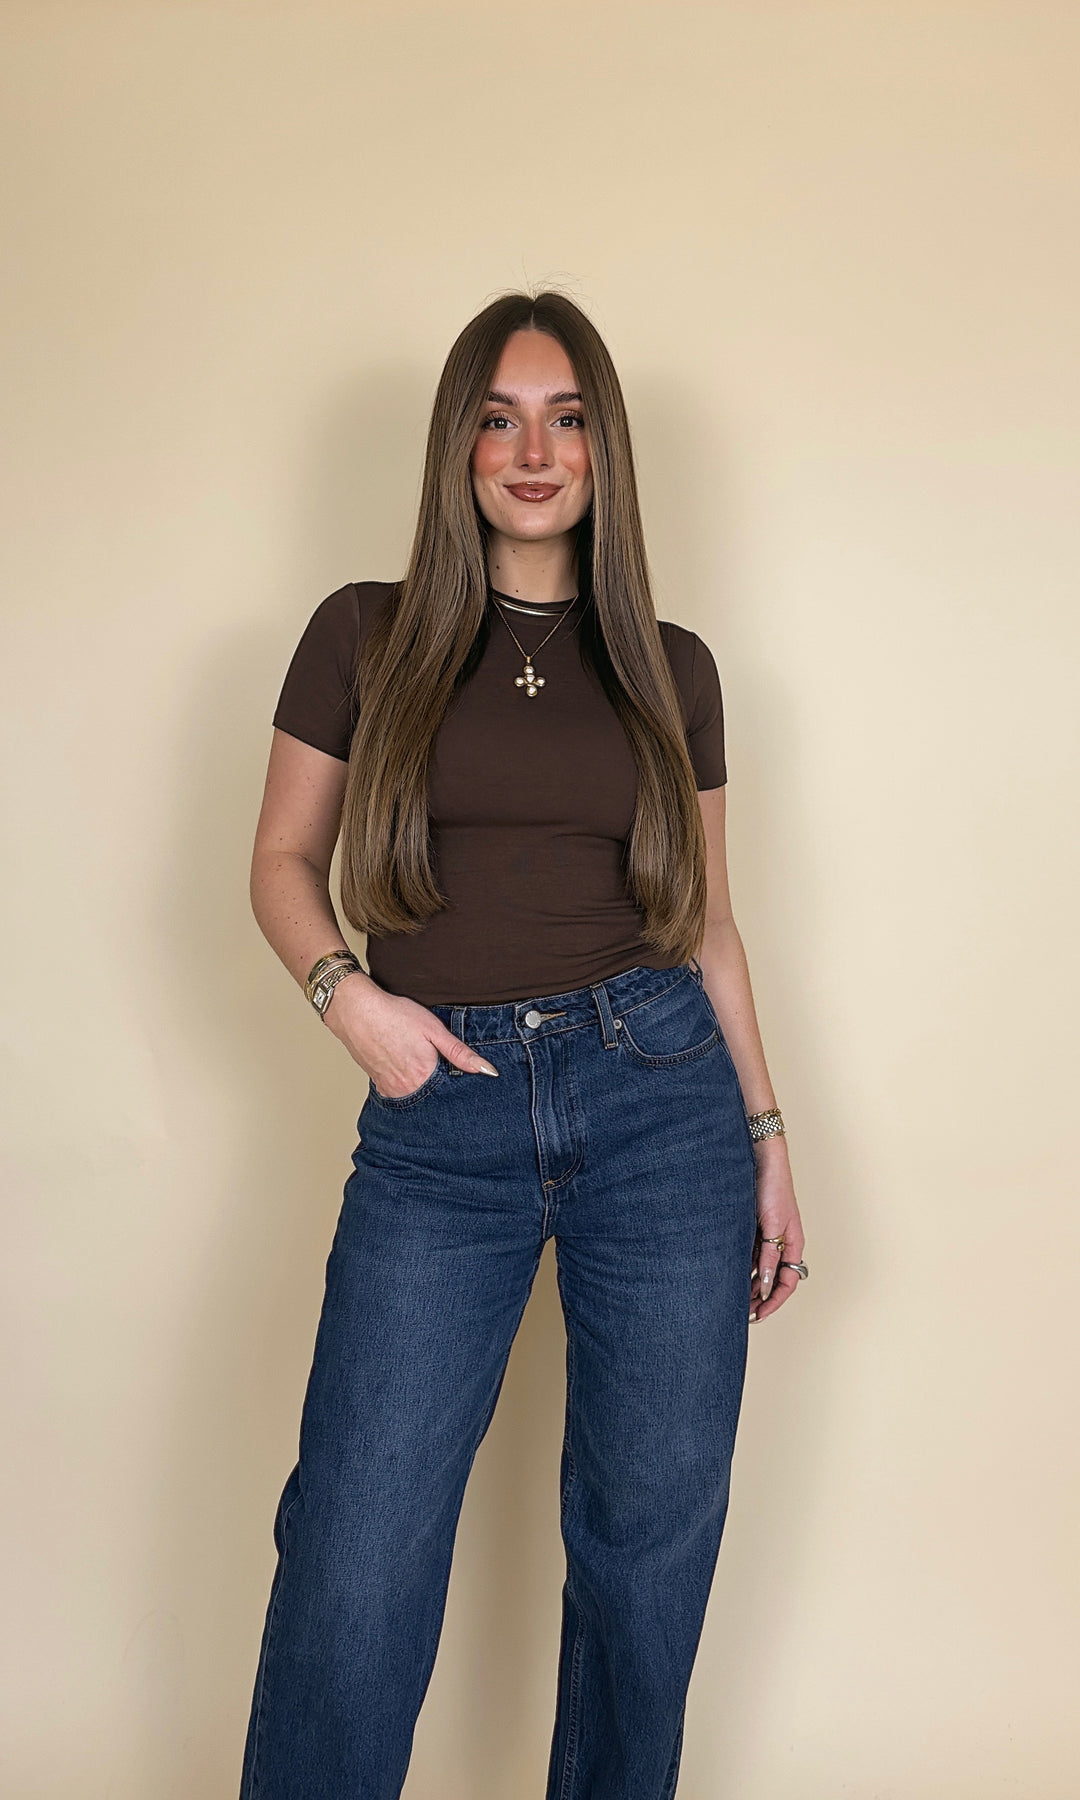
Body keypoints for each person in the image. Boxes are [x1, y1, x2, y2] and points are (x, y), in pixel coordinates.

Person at [238, 289, 807, 1800]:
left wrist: (766, 1139)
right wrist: (352, 1004)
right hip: (443, 1115)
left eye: (565, 420)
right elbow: (281, 863)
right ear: (459, 445)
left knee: (649, 1543)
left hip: (661, 1100)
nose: (533, 452)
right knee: (358, 1537)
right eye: (499, 419)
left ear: (605, 450)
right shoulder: (364, 632)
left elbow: (710, 922)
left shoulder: (672, 666)